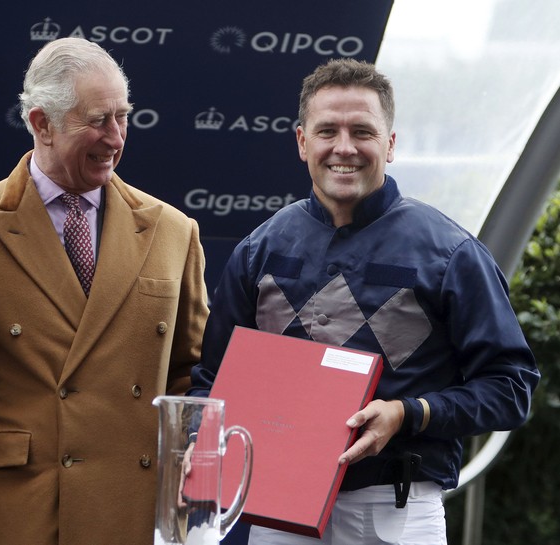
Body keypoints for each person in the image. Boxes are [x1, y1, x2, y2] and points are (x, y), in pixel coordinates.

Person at [188, 58, 540, 544]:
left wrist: (408, 413)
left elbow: (512, 387)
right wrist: (198, 443)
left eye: (363, 132)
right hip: (274, 510)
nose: (344, 148)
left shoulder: (452, 253)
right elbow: (212, 382)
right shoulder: (258, 251)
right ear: (301, 142)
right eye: (327, 130)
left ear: (390, 144)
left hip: (395, 510)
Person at [0, 37, 210, 545]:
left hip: (133, 509)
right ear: (41, 124)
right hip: (16, 513)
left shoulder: (174, 231)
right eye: (99, 120)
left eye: (124, 117)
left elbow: (194, 376)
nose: (116, 137)